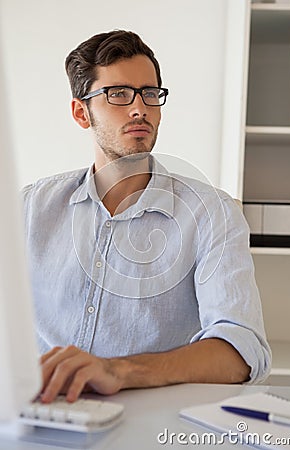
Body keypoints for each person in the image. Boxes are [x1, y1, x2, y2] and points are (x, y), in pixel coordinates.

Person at [22, 30, 271, 404]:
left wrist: (120, 371)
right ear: (80, 112)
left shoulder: (211, 214)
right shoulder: (27, 209)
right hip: (40, 415)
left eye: (150, 94)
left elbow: (242, 350)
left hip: (153, 426)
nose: (139, 108)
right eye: (118, 94)